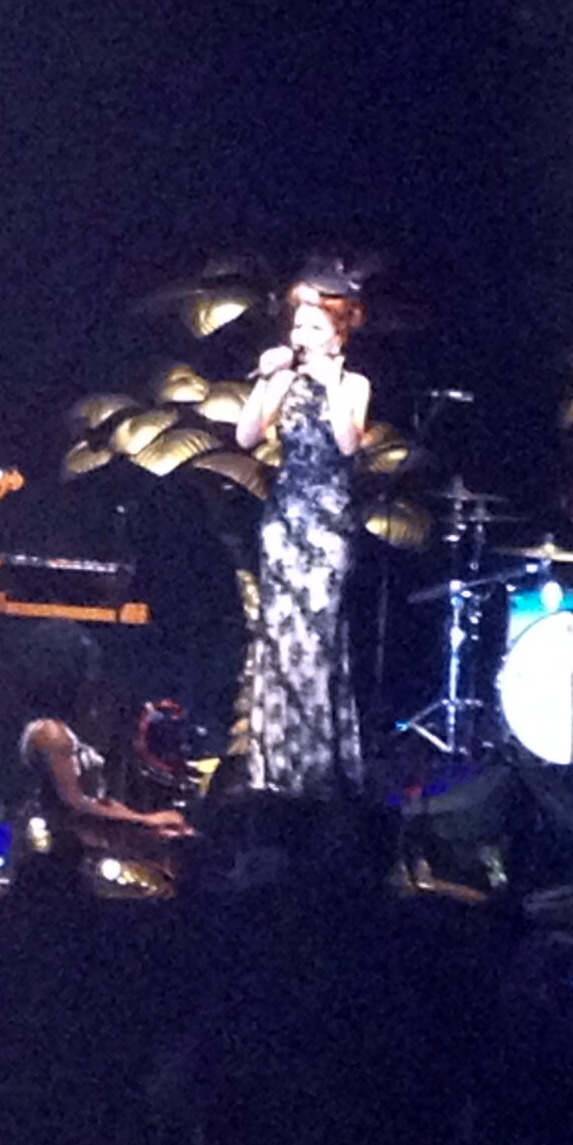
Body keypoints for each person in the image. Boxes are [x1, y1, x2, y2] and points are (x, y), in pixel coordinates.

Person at [233, 262, 371, 798]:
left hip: (327, 523)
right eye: (297, 326)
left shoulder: (353, 383)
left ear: (338, 336)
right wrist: (270, 377)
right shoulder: (285, 378)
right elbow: (246, 436)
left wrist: (330, 382)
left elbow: (346, 443)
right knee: (278, 638)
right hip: (284, 518)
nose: (301, 336)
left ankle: (315, 772)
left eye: (314, 328)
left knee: (315, 641)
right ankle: (274, 770)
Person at [14, 625, 194, 891]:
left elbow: (98, 801)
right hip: (57, 845)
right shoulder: (50, 733)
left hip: (87, 843)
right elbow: (74, 801)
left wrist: (148, 821)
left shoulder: (68, 730)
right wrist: (144, 821)